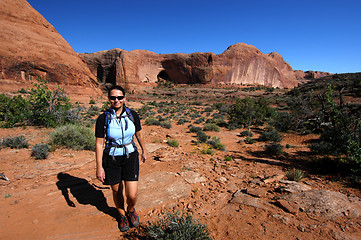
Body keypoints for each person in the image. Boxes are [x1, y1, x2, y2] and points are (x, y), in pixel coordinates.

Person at [95, 85, 147, 232]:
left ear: (124, 98)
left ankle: (131, 210)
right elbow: (99, 144)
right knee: (117, 191)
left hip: (130, 156)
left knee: (132, 194)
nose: (116, 100)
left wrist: (144, 150)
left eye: (119, 97)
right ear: (109, 99)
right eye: (113, 97)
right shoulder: (103, 118)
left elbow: (139, 134)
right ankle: (122, 215)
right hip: (112, 158)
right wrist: (99, 167)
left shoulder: (133, 115)